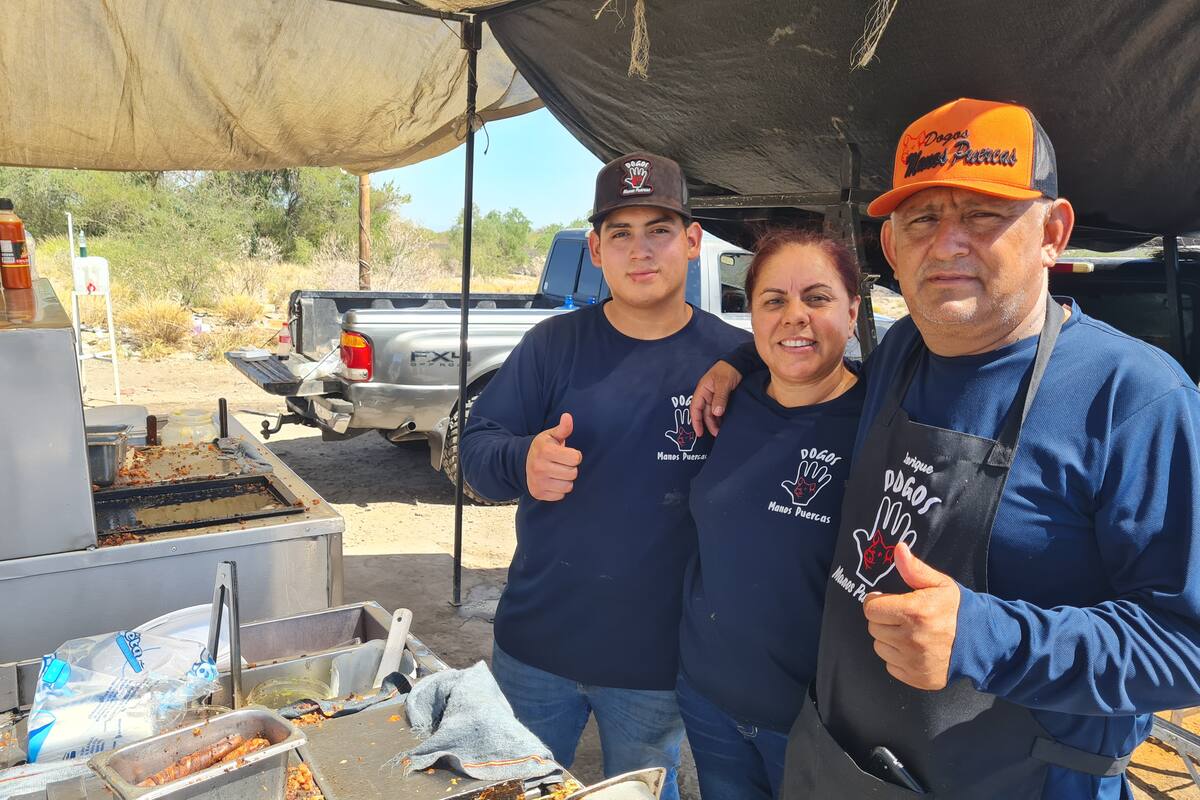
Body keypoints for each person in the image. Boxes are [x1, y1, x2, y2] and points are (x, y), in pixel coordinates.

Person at [690, 98, 1200, 799]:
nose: (947, 242)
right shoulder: (902, 350)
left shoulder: (1133, 397)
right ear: (893, 248)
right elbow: (809, 355)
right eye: (923, 218)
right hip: (837, 762)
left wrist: (986, 637)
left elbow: (1186, 643)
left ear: (1053, 231)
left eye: (983, 213)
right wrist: (738, 362)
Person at [459, 152, 749, 800]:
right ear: (595, 249)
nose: (639, 250)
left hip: (656, 667)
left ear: (694, 242)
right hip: (535, 649)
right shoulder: (551, 346)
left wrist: (747, 363)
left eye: (660, 230)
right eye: (620, 233)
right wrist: (523, 462)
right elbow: (476, 450)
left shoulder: (733, 360)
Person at [676, 228, 865, 800]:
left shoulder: (881, 420)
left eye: (818, 298)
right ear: (751, 314)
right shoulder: (733, 403)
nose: (795, 316)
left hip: (814, 727)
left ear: (854, 312)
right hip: (710, 703)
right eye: (774, 301)